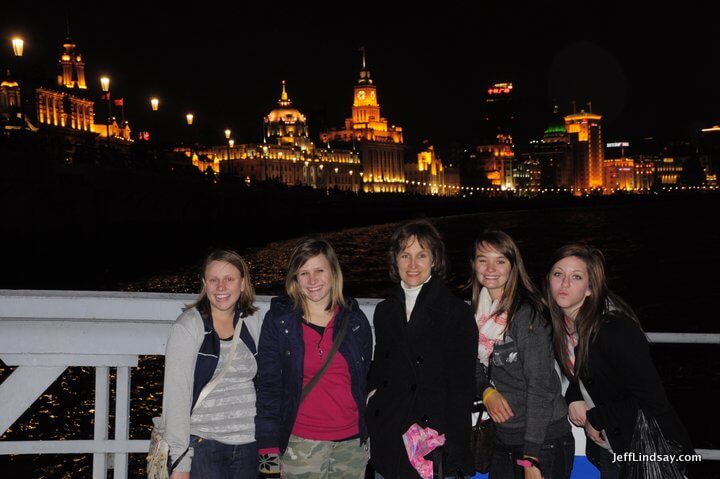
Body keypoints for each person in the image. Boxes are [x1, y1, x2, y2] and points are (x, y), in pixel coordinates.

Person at [544, 244, 693, 478]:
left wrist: (596, 417)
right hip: (612, 446)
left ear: (590, 288)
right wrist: (573, 397)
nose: (564, 283)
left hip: (648, 450)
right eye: (558, 274)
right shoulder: (565, 330)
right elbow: (585, 373)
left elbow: (654, 401)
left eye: (576, 277)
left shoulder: (614, 330)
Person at [367, 220, 478, 478]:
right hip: (389, 432)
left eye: (421, 255)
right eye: (405, 255)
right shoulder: (385, 311)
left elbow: (462, 385)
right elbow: (381, 366)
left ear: (435, 260)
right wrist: (371, 399)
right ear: (395, 260)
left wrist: (456, 447)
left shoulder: (455, 312)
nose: (413, 264)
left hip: (431, 441)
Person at [255, 237, 373, 479]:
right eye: (304, 273)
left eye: (319, 270)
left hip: (351, 445)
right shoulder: (279, 322)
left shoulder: (355, 321)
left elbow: (365, 378)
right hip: (300, 444)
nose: (312, 280)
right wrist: (268, 452)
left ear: (333, 272)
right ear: (295, 279)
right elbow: (268, 387)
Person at [472, 231, 573, 479]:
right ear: (473, 264)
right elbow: (468, 362)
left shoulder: (526, 316)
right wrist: (487, 390)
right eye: (483, 259)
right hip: (503, 438)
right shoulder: (478, 313)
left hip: (542, 442)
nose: (490, 268)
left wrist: (531, 458)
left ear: (513, 266)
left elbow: (541, 386)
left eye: (500, 261)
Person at [162, 249, 263, 479]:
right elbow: (176, 398)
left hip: (249, 445)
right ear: (204, 284)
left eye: (229, 279)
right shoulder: (188, 328)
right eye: (213, 280)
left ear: (243, 283)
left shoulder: (253, 321)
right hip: (203, 445)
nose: (221, 287)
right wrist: (180, 463)